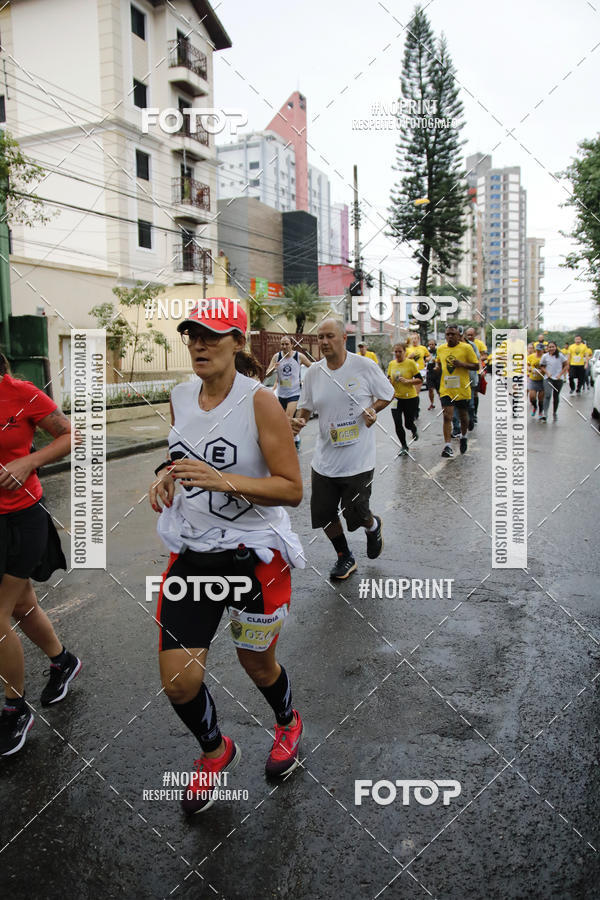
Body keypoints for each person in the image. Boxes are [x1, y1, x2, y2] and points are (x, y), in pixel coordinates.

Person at [149, 301, 305, 814]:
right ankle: (215, 752)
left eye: (213, 335)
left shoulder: (259, 401)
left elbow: (291, 488)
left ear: (238, 342)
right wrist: (166, 476)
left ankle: (287, 723)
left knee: (257, 666)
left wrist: (225, 482)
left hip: (255, 558)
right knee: (179, 680)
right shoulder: (179, 396)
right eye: (192, 334)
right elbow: (181, 454)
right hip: (196, 554)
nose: (199, 344)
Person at [0, 353, 81, 757]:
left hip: (22, 518)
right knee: (21, 605)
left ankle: (15, 709)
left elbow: (69, 435)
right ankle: (63, 661)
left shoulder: (20, 394)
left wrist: (30, 459)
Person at [291, 318, 394, 580]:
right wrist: (299, 421)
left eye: (329, 336)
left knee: (356, 513)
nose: (324, 342)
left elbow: (387, 393)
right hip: (325, 459)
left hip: (358, 458)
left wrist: (372, 409)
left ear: (343, 338)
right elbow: (306, 405)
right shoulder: (314, 372)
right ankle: (344, 556)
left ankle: (372, 526)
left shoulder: (363, 366)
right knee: (324, 514)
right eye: (320, 338)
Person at [435, 325, 479, 458]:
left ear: (458, 335)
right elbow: (439, 363)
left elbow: (476, 366)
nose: (449, 336)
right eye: (447, 334)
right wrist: (437, 368)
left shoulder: (466, 348)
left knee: (463, 417)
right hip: (446, 389)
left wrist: (462, 364)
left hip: (462, 389)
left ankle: (464, 436)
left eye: (452, 334)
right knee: (447, 416)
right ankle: (447, 446)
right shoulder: (441, 349)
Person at [264, 336, 313, 450]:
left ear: (292, 345)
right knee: (283, 420)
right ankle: (296, 438)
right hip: (281, 394)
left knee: (288, 417)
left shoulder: (298, 356)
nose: (284, 347)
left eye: (286, 344)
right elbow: (267, 374)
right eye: (282, 344)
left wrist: (306, 381)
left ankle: (287, 444)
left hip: (294, 393)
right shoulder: (277, 357)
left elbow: (311, 368)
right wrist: (273, 369)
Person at [387, 343, 422, 455]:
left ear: (404, 352)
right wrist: (388, 382)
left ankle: (413, 428)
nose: (397, 354)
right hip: (396, 398)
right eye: (395, 352)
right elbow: (388, 378)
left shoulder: (410, 363)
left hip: (410, 398)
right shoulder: (391, 364)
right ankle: (404, 446)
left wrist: (408, 381)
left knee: (407, 423)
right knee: (397, 422)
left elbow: (419, 379)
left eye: (399, 351)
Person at [539, 341, 569, 421]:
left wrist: (560, 374)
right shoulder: (545, 356)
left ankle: (554, 412)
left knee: (556, 396)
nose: (551, 348)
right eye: (550, 347)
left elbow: (566, 365)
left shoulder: (560, 356)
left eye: (553, 347)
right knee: (548, 395)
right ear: (547, 348)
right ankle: (545, 414)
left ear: (556, 347)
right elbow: (541, 366)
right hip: (548, 378)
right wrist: (547, 372)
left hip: (558, 379)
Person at [527, 343, 546, 419]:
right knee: (532, 397)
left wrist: (541, 370)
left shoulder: (545, 357)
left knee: (541, 398)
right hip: (533, 379)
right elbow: (527, 364)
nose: (538, 352)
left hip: (542, 380)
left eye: (540, 350)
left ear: (543, 351)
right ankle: (535, 407)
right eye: (537, 350)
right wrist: (529, 368)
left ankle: (541, 411)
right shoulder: (531, 356)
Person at [425, 339, 440, 409]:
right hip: (430, 371)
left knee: (439, 390)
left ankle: (443, 403)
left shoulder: (438, 351)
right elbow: (423, 360)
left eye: (432, 344)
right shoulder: (427, 352)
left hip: (437, 372)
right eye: (430, 344)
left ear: (435, 345)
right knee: (430, 389)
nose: (431, 346)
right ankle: (432, 403)